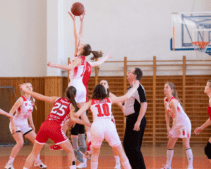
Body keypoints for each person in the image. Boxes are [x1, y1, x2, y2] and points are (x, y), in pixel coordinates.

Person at [47, 11, 112, 164]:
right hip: (82, 88)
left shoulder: (77, 59)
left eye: (80, 45)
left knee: (66, 112)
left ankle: (59, 140)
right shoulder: (87, 62)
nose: (78, 43)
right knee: (83, 115)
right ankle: (90, 139)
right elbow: (79, 37)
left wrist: (53, 65)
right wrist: (78, 21)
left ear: (81, 50)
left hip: (75, 86)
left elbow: (70, 68)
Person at [20, 85, 91, 169]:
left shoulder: (58, 99)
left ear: (65, 93)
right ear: (75, 95)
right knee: (70, 151)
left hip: (44, 126)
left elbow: (41, 97)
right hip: (55, 128)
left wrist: (26, 91)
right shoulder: (72, 105)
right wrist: (88, 123)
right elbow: (73, 119)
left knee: (34, 153)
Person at [74, 81, 140, 169]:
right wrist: (135, 87)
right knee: (120, 152)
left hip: (96, 126)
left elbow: (77, 114)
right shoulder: (109, 99)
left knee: (95, 154)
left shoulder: (90, 102)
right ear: (104, 92)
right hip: (109, 125)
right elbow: (126, 97)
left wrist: (77, 117)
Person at [5, 83, 46, 169]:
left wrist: (32, 124)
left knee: (37, 142)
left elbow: (29, 113)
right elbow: (10, 113)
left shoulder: (32, 100)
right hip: (16, 123)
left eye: (31, 86)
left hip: (24, 124)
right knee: (20, 143)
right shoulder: (20, 100)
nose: (30, 88)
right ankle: (9, 164)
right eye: (27, 87)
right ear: (24, 89)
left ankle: (37, 162)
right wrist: (13, 125)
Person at [162, 82, 193, 169]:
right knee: (170, 144)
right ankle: (168, 166)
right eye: (164, 87)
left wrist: (172, 130)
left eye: (167, 87)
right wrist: (168, 127)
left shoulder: (173, 101)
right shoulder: (165, 100)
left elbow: (176, 117)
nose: (165, 89)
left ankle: (190, 166)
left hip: (183, 123)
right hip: (176, 123)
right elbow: (167, 114)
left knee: (186, 144)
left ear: (172, 90)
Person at [123, 68, 147, 169]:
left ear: (135, 76)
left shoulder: (138, 87)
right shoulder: (131, 88)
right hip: (131, 119)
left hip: (136, 119)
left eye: (130, 72)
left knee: (134, 148)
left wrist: (138, 121)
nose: (128, 73)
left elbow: (144, 104)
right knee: (127, 147)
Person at [100, 80, 124, 169]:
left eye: (104, 83)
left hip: (109, 121)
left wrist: (126, 117)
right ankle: (85, 161)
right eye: (101, 83)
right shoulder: (95, 96)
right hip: (99, 122)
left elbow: (121, 105)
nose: (102, 85)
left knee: (114, 143)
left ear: (108, 86)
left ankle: (118, 163)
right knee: (90, 140)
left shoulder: (110, 95)